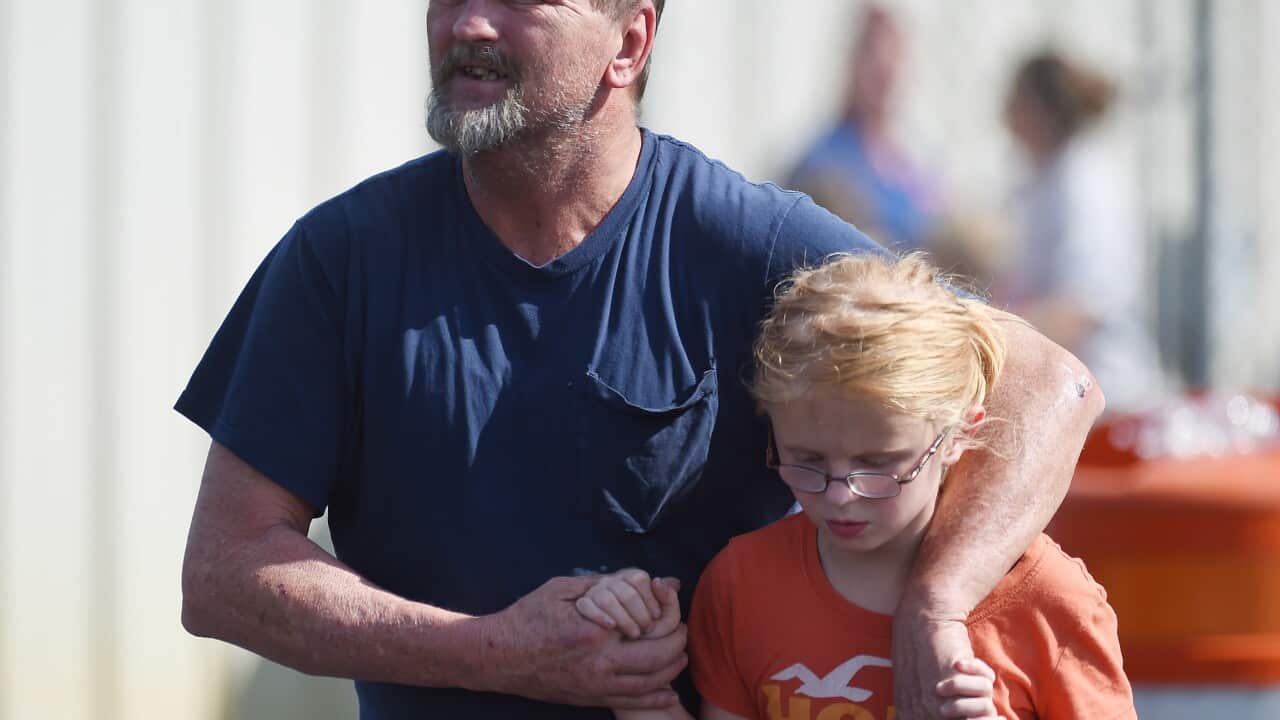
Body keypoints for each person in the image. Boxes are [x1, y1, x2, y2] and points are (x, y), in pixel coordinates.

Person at [176, 2, 1104, 719]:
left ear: (629, 43)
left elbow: (1049, 384)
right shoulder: (343, 262)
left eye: (521, 2)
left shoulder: (751, 245)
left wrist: (936, 602)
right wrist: (494, 650)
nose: (466, 23)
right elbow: (224, 572)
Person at [576, 254, 1136, 720]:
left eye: (879, 464)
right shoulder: (743, 583)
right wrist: (642, 688)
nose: (840, 495)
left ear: (961, 433)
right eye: (806, 461)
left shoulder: (1051, 603)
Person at [997, 51, 1164, 413]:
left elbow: (1081, 307)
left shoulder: (1086, 184)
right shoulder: (1035, 183)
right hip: (1060, 390)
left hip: (1108, 395)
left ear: (1039, 110)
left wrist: (994, 336)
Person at [787, 4, 939, 251]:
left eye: (894, 66)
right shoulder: (821, 162)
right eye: (875, 68)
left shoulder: (917, 162)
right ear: (852, 64)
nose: (886, 82)